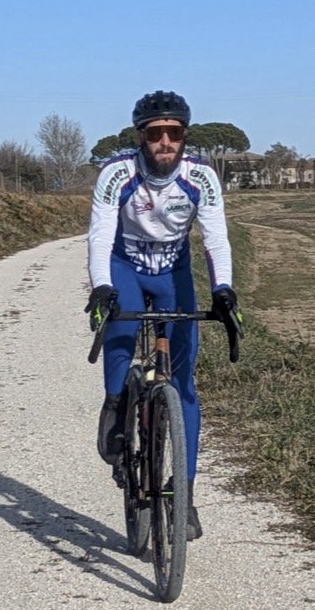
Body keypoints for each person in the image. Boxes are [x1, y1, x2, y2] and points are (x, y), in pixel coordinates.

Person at [86, 90, 238, 541]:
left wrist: (224, 290)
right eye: (156, 134)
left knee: (184, 381)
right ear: (142, 138)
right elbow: (98, 235)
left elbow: (215, 239)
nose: (165, 142)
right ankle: (116, 405)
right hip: (124, 264)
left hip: (173, 269)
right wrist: (103, 288)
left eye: (174, 133)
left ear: (185, 137)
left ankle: (183, 493)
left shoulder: (201, 176)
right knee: (121, 331)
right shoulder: (117, 174)